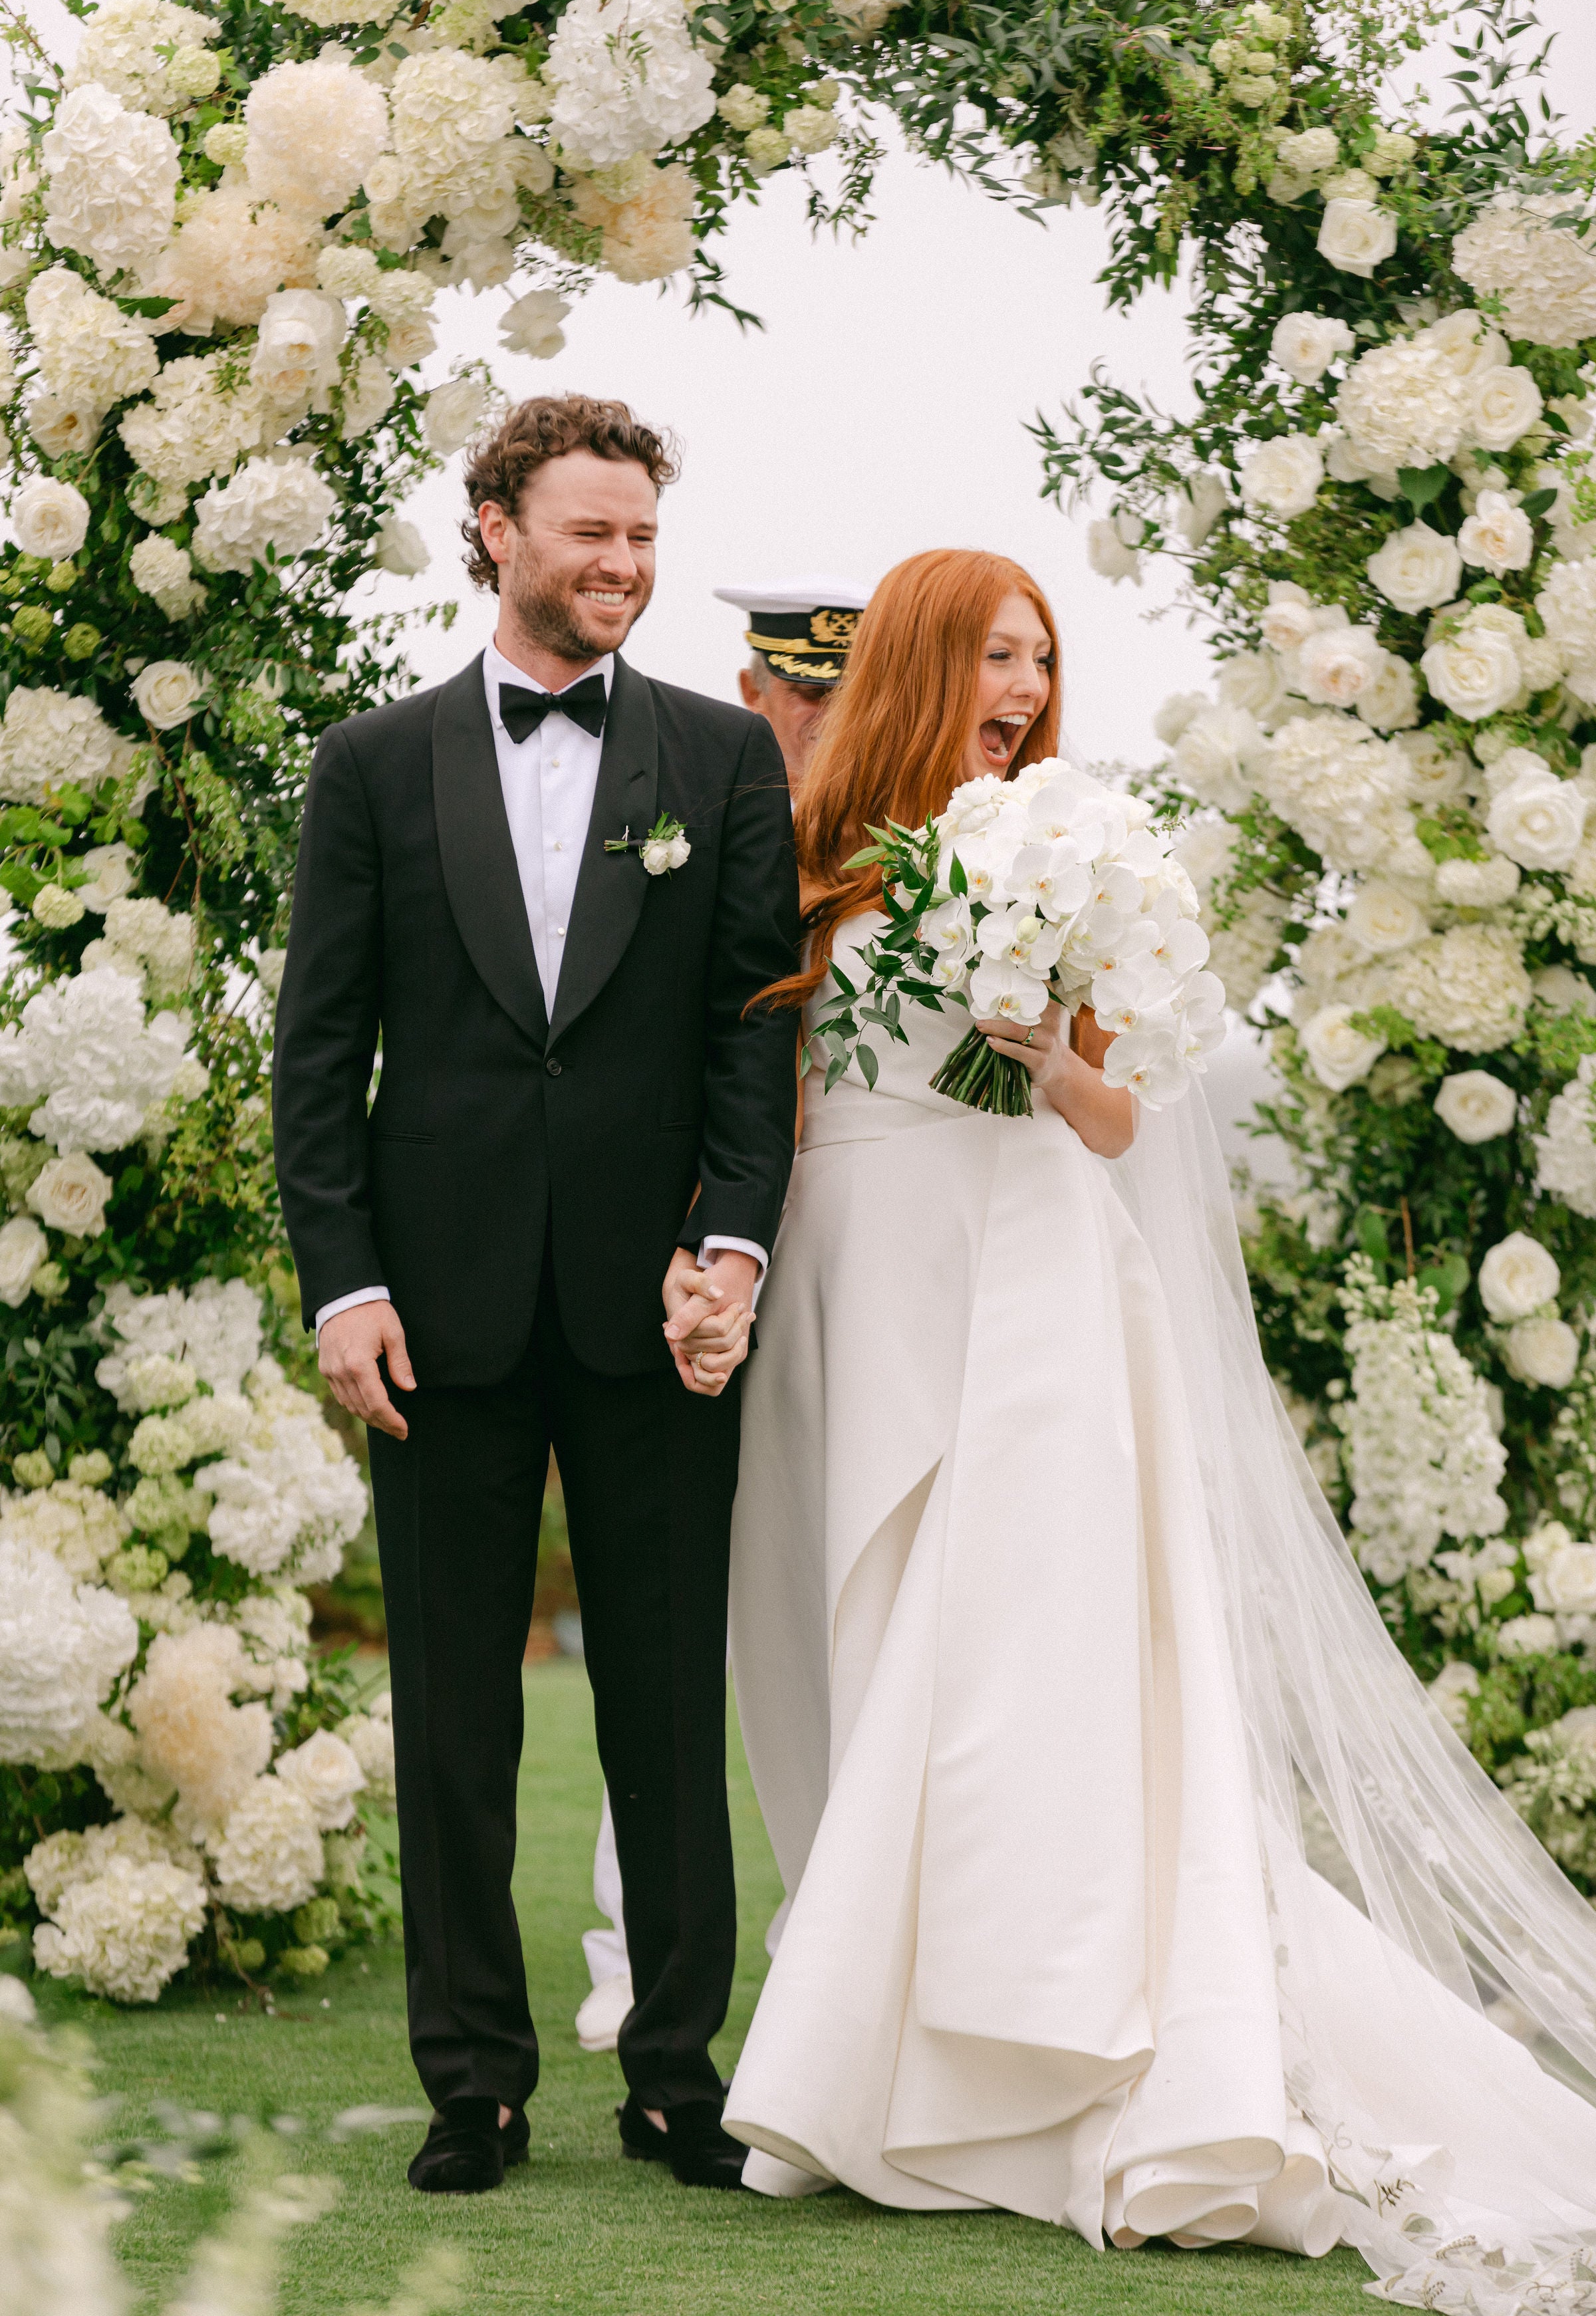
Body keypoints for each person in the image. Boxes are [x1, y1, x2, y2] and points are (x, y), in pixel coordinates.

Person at [722, 547, 1596, 2306]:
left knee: (994, 1672)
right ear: (921, 666)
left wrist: (1040, 1054)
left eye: (1041, 659)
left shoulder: (1071, 846)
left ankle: (1038, 2051)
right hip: (848, 1290)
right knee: (855, 1644)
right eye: (996, 657)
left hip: (1032, 1291)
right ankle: (884, 2042)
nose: (1025, 691)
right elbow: (778, 1093)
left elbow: (1117, 1121)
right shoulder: (810, 864)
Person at [272, 394, 799, 2197]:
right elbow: (320, 1050)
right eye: (589, 531)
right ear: (496, 527)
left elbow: (749, 1037)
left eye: (641, 534)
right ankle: (474, 2083)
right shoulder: (372, 765)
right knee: (454, 1718)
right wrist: (344, 1283)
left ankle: (673, 2077)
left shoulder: (723, 760)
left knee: (663, 1705)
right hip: (439, 1311)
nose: (621, 564)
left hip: (656, 1314)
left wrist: (731, 1247)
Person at [572, 567, 869, 2059]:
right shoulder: (676, 812)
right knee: (666, 1616)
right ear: (754, 693)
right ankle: (629, 1954)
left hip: (853, 1266)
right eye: (797, 694)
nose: (816, 722)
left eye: (841, 696)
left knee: (845, 1603)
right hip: (685, 1267)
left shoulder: (914, 858)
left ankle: (846, 1949)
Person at [714, 577, 868, 793]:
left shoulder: (914, 808)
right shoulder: (706, 803)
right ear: (754, 692)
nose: (837, 715)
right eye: (814, 692)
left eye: (859, 696)